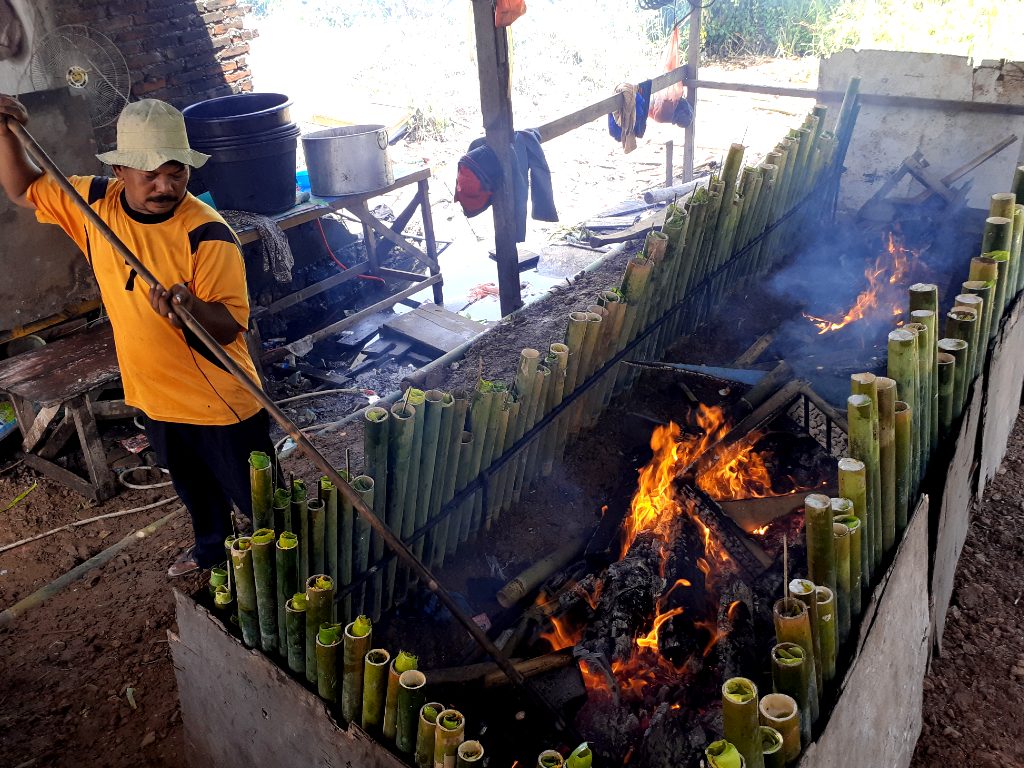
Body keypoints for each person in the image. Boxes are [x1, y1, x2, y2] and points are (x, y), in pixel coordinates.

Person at [0, 95, 275, 577]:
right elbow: (23, 189)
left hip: (222, 402)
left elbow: (231, 325)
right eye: (150, 175)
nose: (165, 186)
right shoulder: (93, 203)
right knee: (193, 488)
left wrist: (190, 310)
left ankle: (291, 564)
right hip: (154, 395)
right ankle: (212, 554)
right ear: (122, 168)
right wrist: (3, 134)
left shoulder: (207, 234)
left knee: (260, 502)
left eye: (177, 173)